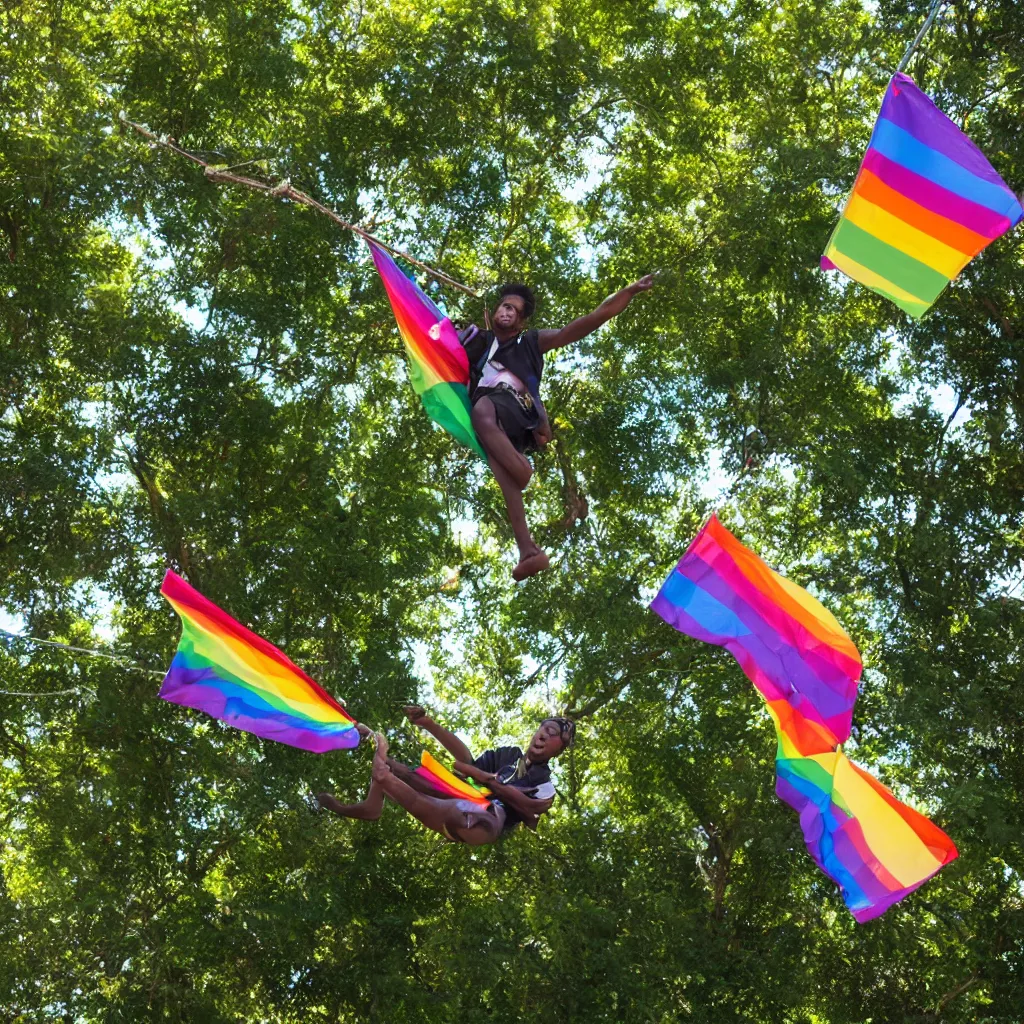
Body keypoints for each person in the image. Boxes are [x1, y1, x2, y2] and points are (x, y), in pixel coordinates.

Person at [460, 276, 655, 582]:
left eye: (514, 311)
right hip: (492, 417)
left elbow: (584, 323)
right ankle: (527, 550)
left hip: (515, 406)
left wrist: (626, 292)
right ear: (494, 310)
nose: (507, 312)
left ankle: (523, 468)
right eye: (504, 306)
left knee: (483, 413)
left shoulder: (529, 342)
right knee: (498, 463)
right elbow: (441, 343)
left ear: (521, 323)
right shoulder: (480, 342)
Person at [316, 706, 575, 846]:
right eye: (544, 728)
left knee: (468, 813)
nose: (544, 735)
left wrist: (486, 779)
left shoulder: (544, 784)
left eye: (553, 735)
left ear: (559, 750)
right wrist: (428, 724)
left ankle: (384, 777)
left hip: (486, 816)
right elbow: (465, 762)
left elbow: (529, 811)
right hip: (463, 792)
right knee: (403, 770)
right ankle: (374, 797)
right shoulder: (509, 755)